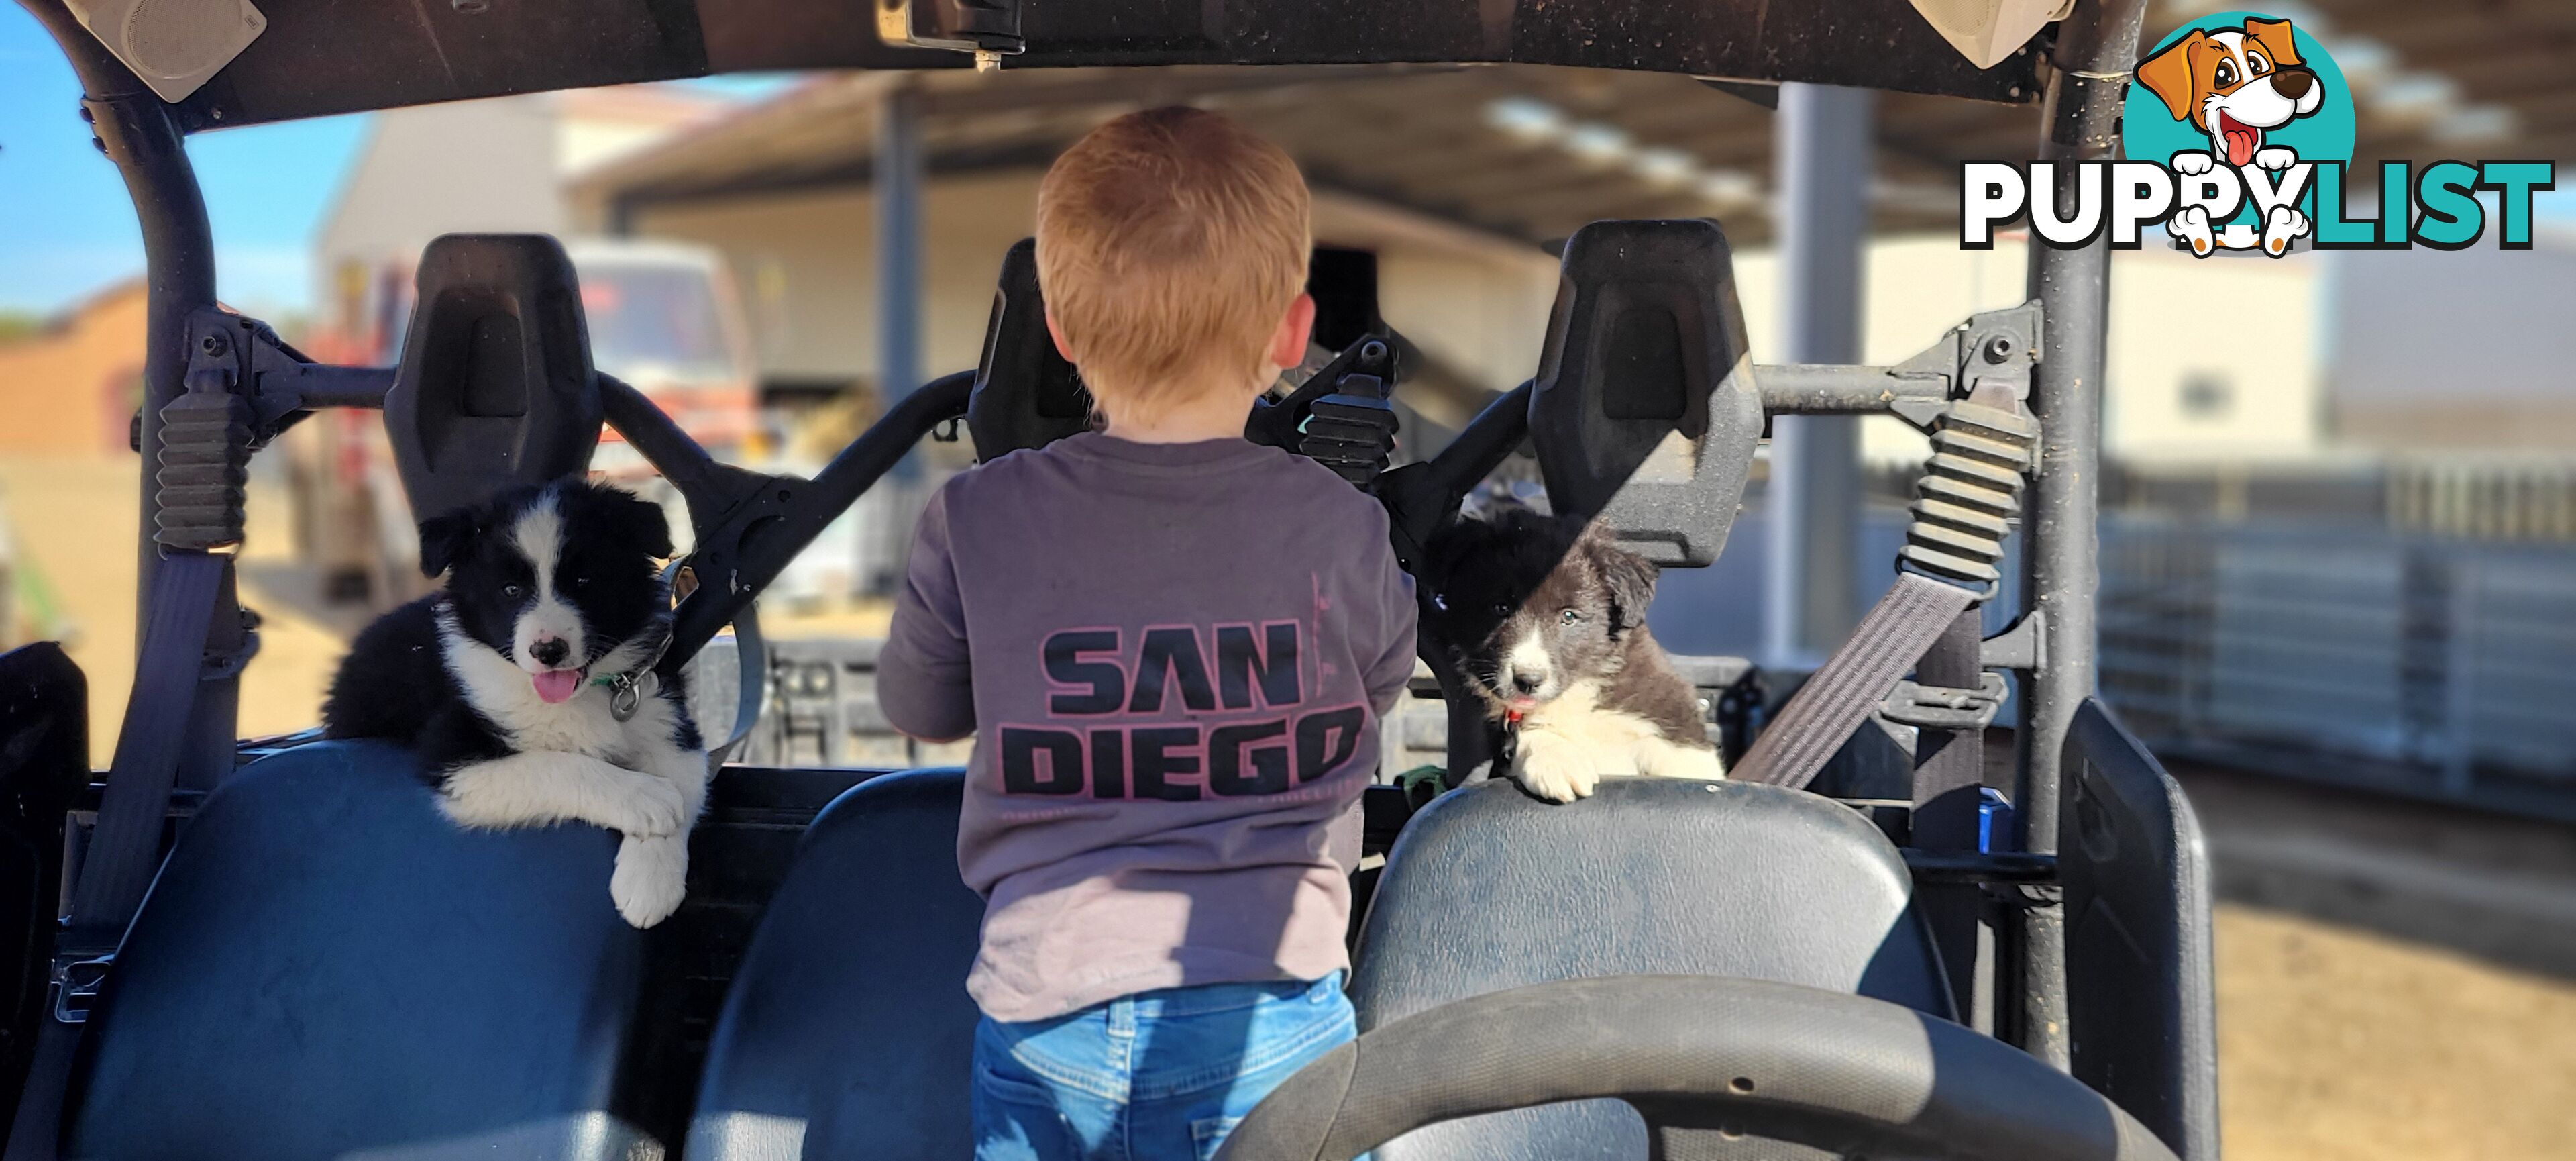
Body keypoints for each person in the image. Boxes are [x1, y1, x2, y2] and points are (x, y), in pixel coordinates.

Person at [878, 106, 1417, 1161]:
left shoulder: (977, 516)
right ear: (1292, 332)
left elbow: (917, 706)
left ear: (1064, 334)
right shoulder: (1340, 525)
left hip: (1047, 1010)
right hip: (1270, 1020)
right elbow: (1382, 679)